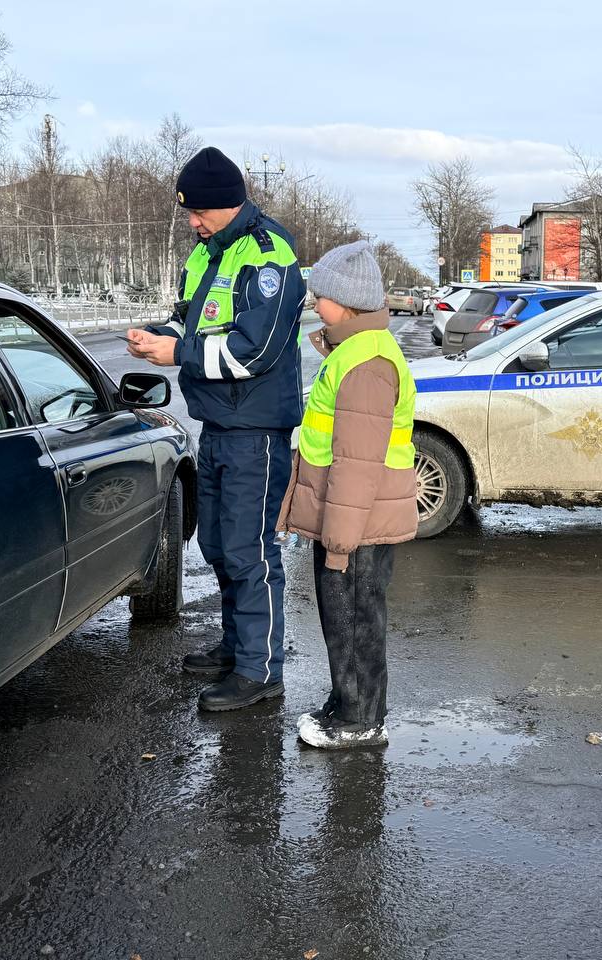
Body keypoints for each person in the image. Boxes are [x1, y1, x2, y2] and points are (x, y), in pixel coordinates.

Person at [127, 146, 305, 712]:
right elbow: (189, 318)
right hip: (218, 423)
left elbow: (255, 350)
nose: (192, 222)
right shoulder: (206, 254)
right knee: (219, 546)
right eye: (189, 213)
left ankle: (260, 671)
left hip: (256, 429)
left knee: (249, 551)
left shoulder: (269, 255)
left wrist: (177, 353)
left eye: (199, 212)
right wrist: (159, 335)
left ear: (227, 204)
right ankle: (236, 647)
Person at [279, 240, 418, 749]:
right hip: (353, 520)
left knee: (355, 619)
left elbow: (357, 466)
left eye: (321, 296)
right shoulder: (356, 351)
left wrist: (339, 542)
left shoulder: (366, 363)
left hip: (356, 526)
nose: (315, 304)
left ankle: (360, 720)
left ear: (347, 301)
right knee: (349, 618)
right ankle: (350, 703)